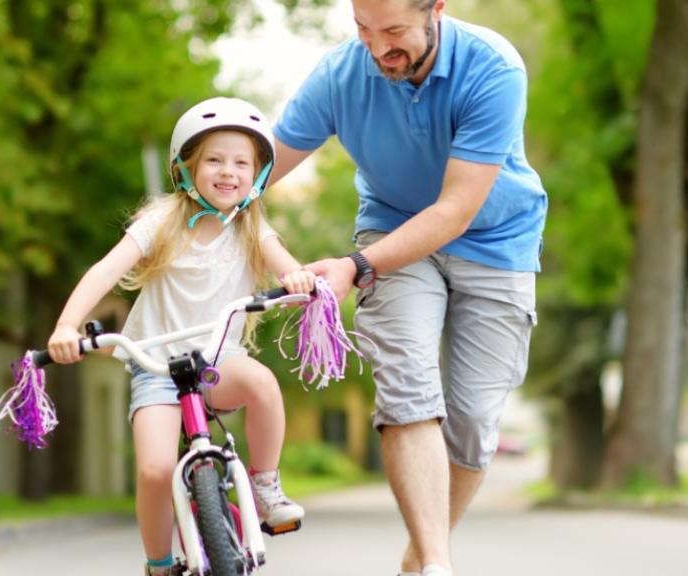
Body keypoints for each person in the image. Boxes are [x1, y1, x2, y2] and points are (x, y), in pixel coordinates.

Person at [268, 1, 547, 575]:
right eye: (363, 29)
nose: (377, 49)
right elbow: (257, 167)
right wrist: (191, 190)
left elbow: (454, 211)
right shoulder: (340, 75)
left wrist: (354, 265)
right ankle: (438, 566)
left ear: (436, 8)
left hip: (496, 241)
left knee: (472, 422)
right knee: (407, 388)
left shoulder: (494, 67)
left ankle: (418, 561)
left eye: (393, 31)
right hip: (390, 228)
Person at [46, 97, 316, 576]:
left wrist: (298, 279)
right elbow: (105, 270)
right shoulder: (161, 222)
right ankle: (159, 563)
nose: (228, 171)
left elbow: (288, 267)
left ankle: (266, 485)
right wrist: (67, 325)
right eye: (214, 159)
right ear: (186, 168)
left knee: (263, 384)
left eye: (241, 163)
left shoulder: (253, 228)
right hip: (156, 367)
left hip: (218, 361)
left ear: (256, 175)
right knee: (153, 471)